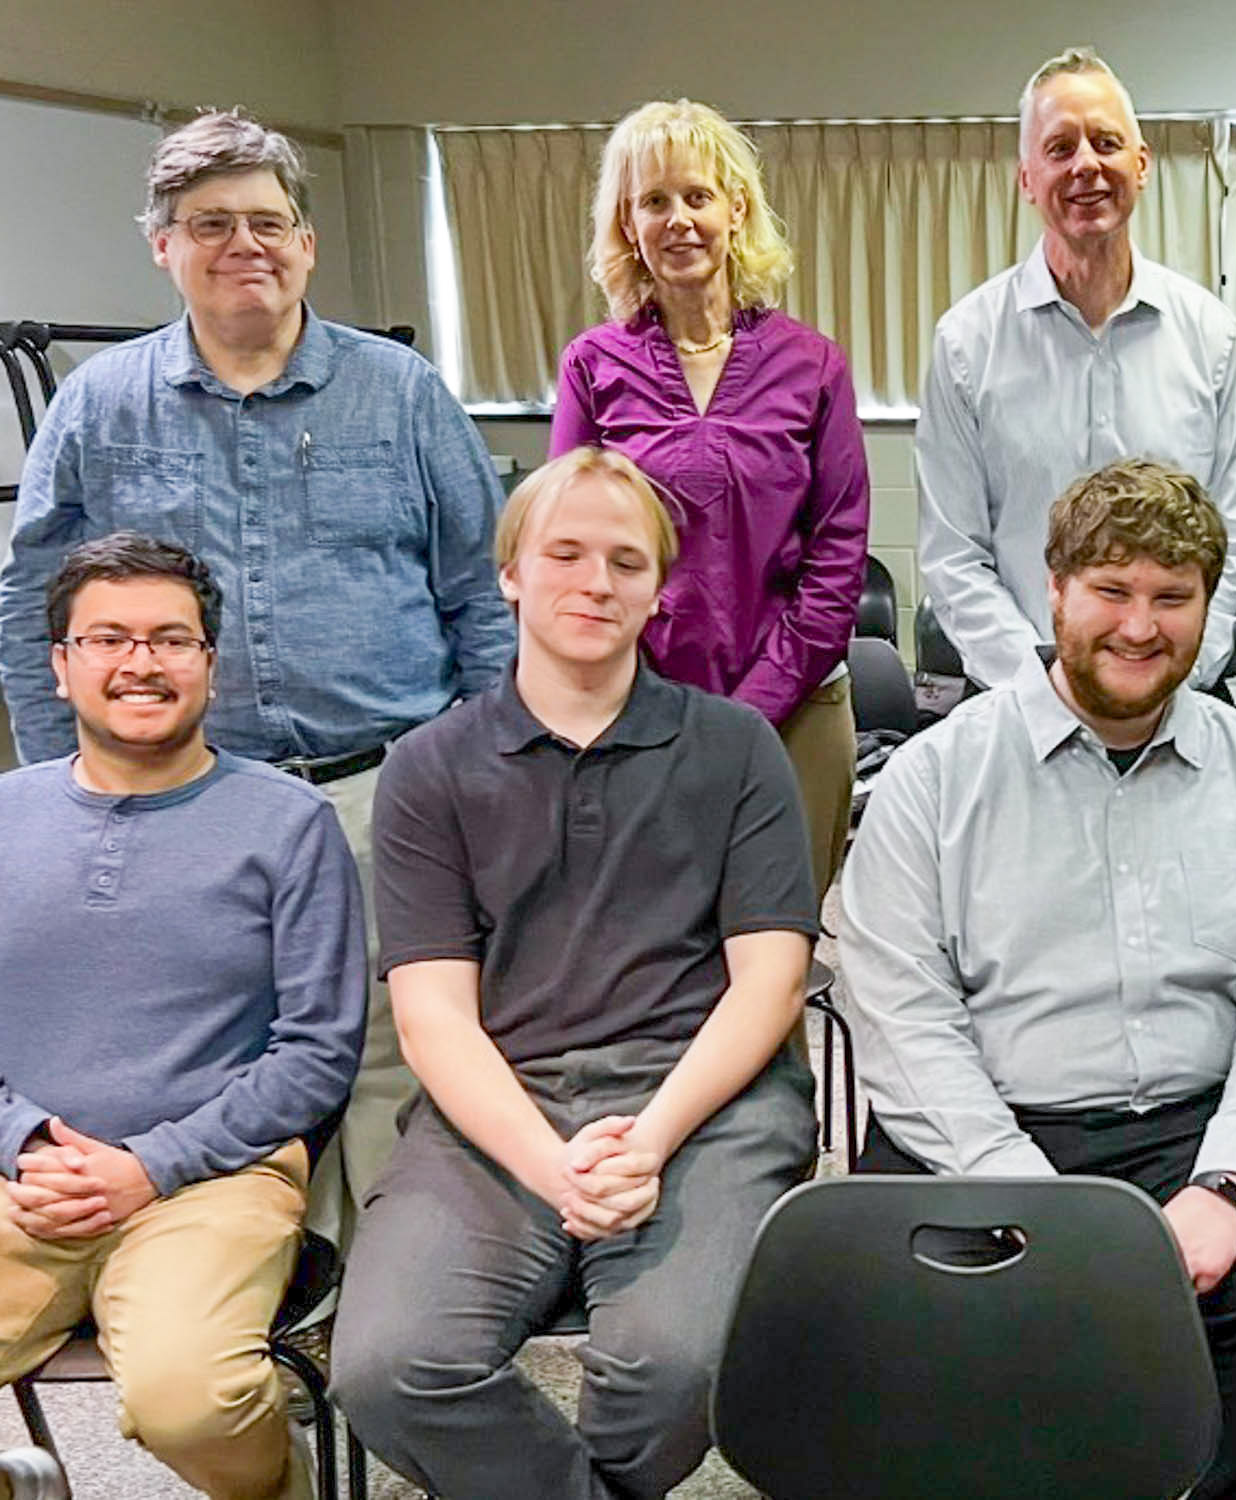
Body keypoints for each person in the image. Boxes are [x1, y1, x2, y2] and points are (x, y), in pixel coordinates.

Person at [0, 108, 514, 1239]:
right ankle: (219, 1281)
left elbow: (481, 593)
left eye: (270, 222)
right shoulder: (99, 404)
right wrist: (65, 784)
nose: (247, 245)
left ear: (309, 242)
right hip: (190, 799)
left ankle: (375, 1288)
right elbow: (31, 600)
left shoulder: (402, 393)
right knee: (215, 1050)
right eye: (211, 224)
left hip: (385, 788)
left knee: (394, 1054)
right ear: (163, 246)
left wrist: (488, 776)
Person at [840, 457, 1236, 1499]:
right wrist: (1029, 1191)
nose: (1141, 627)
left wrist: (1227, 1183)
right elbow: (900, 1009)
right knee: (910, 1334)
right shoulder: (935, 777)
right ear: (1056, 591)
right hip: (986, 1136)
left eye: (1173, 598)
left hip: (1205, 1131)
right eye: (1113, 592)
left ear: (1209, 610)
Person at [330, 447, 818, 1499]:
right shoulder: (428, 769)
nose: (595, 582)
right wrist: (559, 1172)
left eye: (625, 562)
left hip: (705, 1109)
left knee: (674, 1369)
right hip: (501, 1111)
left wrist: (645, 1142)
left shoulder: (736, 749)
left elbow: (771, 986)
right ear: (510, 572)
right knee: (384, 1367)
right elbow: (433, 1022)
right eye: (565, 554)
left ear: (659, 589)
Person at [0, 533, 365, 1500]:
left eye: (171, 639)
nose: (140, 663)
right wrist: (25, 1140)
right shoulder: (4, 817)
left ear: (210, 661)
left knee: (189, 1398)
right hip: (23, 1179)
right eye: (108, 638)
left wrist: (149, 1166)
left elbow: (318, 1053)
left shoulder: (288, 822)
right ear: (61, 664)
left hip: (217, 1180)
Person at [550, 98, 870, 900]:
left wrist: (750, 709)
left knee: (775, 953)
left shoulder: (814, 365)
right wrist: (649, 704)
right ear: (627, 223)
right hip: (636, 717)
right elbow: (573, 549)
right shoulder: (592, 367)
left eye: (697, 196)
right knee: (657, 951)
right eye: (654, 201)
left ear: (737, 209)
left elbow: (838, 557)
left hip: (795, 715)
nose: (679, 220)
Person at [915, 47, 1236, 694]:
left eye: (1106, 142)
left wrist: (1173, 673)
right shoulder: (966, 344)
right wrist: (1043, 690)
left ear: (1141, 164)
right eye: (1059, 148)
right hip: (1018, 698)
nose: (1086, 166)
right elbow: (953, 553)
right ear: (1026, 178)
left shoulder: (1210, 336)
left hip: (1177, 693)